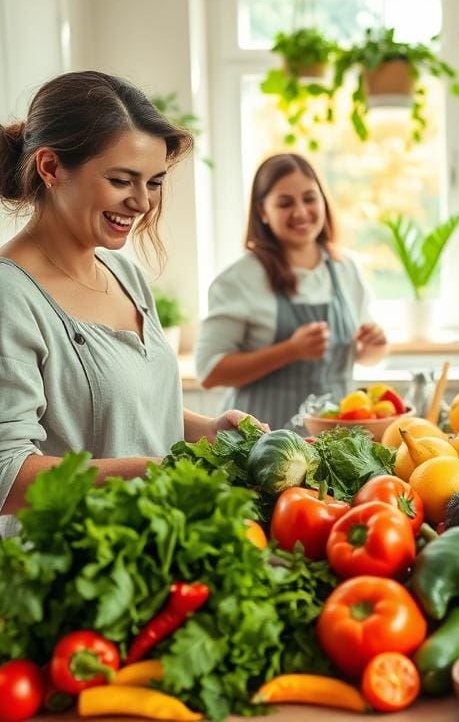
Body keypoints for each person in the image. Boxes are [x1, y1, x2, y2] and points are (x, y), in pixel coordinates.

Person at [0, 71, 264, 533]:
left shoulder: (125, 274)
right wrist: (151, 472)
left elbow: (128, 407)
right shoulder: (11, 295)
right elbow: (9, 474)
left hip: (149, 552)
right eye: (122, 180)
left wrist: (208, 432)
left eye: (154, 182)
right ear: (51, 167)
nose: (142, 203)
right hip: (64, 566)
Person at [195, 153, 388, 430]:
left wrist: (373, 345)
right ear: (263, 211)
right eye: (285, 203)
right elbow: (209, 372)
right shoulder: (239, 279)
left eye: (309, 199)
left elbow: (363, 356)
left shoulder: (346, 269)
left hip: (333, 442)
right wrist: (289, 351)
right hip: (258, 442)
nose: (300, 212)